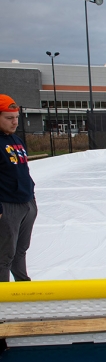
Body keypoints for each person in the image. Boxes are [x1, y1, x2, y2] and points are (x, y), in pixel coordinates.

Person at [0, 94, 37, 282]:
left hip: (26, 203)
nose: (15, 122)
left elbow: (23, 171)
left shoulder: (16, 140)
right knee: (4, 255)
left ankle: (23, 288)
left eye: (16, 117)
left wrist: (32, 199)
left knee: (20, 251)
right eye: (9, 118)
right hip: (7, 206)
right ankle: (4, 300)